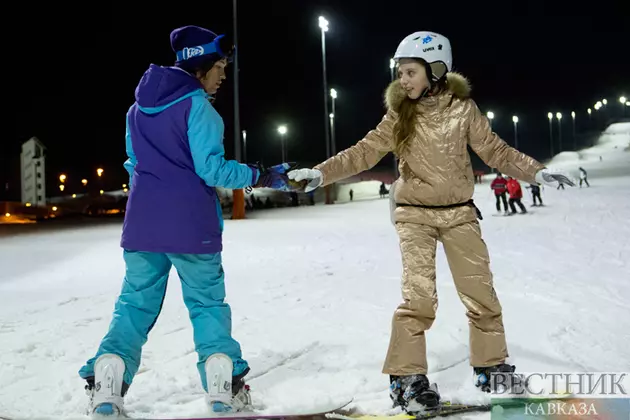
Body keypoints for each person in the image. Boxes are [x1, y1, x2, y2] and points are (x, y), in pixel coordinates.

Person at [288, 31, 574, 412]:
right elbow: (364, 152)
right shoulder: (399, 115)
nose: (401, 80)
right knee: (419, 297)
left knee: (482, 294)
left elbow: (496, 151)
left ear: (435, 70)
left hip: (460, 213)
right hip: (414, 215)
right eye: (400, 73)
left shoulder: (464, 110)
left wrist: (537, 173)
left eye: (409, 72)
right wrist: (321, 173)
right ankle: (407, 378)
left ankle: (492, 368)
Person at [78, 25, 298, 417]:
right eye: (220, 67)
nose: (223, 76)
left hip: (142, 227)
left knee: (133, 305)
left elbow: (134, 163)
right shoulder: (200, 110)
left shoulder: (136, 110)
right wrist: (262, 175)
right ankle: (222, 387)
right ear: (201, 66)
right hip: (192, 228)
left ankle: (108, 380)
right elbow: (212, 170)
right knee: (207, 305)